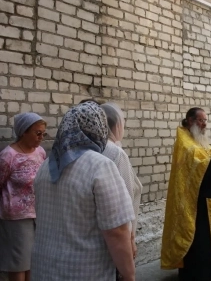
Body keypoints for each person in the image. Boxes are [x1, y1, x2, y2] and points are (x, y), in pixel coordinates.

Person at [31, 102, 136, 281]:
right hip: (85, 270)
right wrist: (129, 274)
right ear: (99, 127)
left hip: (44, 269)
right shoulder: (100, 165)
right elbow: (117, 231)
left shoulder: (46, 166)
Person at [161, 107, 211, 281]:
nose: (204, 124)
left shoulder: (199, 141)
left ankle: (210, 272)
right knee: (200, 241)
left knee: (208, 242)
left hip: (208, 199)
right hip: (195, 204)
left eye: (205, 120)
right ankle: (196, 274)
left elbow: (210, 161)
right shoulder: (185, 142)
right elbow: (196, 165)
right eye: (200, 120)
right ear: (190, 121)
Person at [0, 113, 47, 281]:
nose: (41, 138)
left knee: (33, 261)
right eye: (37, 133)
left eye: (43, 133)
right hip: (16, 218)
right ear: (23, 133)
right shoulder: (8, 155)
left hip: (38, 214)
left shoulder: (40, 152)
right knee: (19, 264)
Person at [101, 102, 143, 281]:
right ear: (116, 125)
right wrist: (130, 240)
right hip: (120, 232)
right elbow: (126, 199)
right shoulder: (116, 153)